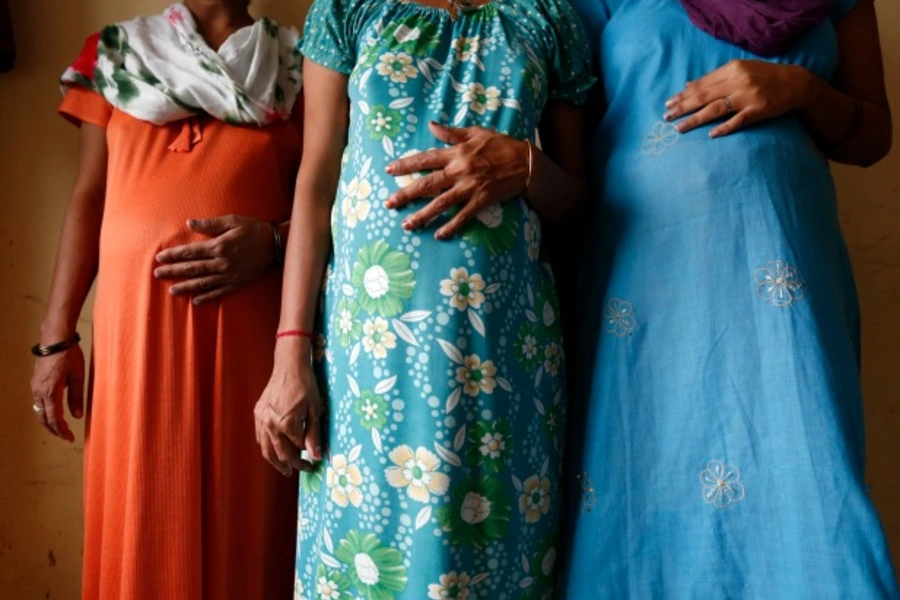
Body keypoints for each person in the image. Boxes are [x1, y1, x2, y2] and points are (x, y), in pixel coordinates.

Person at [557, 0, 898, 597]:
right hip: (643, 291)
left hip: (788, 276)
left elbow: (872, 137)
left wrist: (800, 89)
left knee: (808, 476)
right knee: (638, 488)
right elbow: (571, 171)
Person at [252, 0, 593, 597]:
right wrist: (290, 357)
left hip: (504, 365)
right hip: (370, 366)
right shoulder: (350, 11)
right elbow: (315, 183)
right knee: (370, 563)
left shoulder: (547, 15)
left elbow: (579, 203)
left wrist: (527, 164)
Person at [29, 2, 302, 598]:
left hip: (252, 340)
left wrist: (275, 242)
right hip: (134, 337)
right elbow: (89, 197)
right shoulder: (115, 53)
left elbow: (329, 201)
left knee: (244, 514)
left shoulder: (299, 65)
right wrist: (56, 338)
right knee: (141, 511)